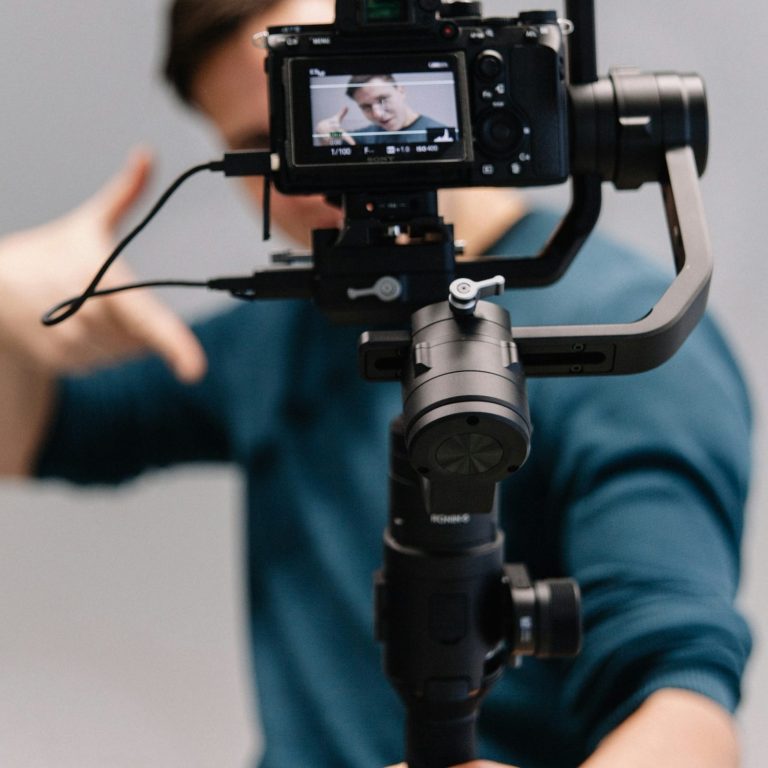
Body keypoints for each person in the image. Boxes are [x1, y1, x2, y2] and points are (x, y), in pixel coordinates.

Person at [0, 0, 752, 766]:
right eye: (273, 142)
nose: (325, 172)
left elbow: (682, 708)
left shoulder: (614, 331)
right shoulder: (290, 332)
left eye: (353, 92)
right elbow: (27, 433)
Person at [315, 73, 447, 145]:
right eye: (366, 107)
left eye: (383, 100)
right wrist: (326, 135)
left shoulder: (441, 135)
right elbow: (336, 138)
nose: (377, 114)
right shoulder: (368, 136)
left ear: (401, 91)